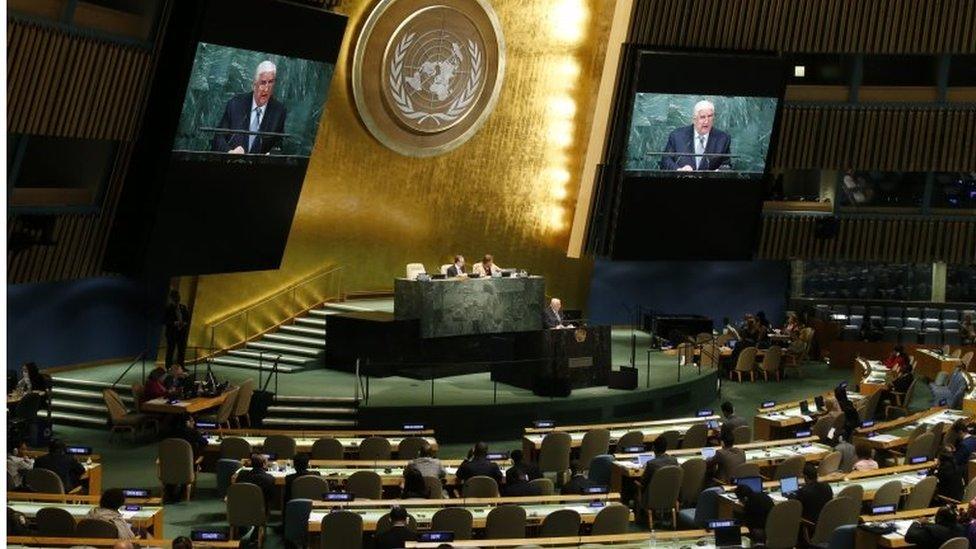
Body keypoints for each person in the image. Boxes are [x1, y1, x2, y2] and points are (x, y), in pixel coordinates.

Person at [211, 60, 287, 155]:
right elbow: (219, 137)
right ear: (254, 84)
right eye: (263, 83)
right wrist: (230, 152)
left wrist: (272, 155)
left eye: (270, 82)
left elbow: (279, 144)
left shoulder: (279, 111)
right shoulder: (235, 104)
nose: (266, 89)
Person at [659, 99, 731, 171]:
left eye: (710, 116)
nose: (707, 121)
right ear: (694, 119)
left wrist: (719, 172)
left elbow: (726, 165)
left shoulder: (723, 139)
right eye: (702, 117)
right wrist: (679, 170)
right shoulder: (677, 136)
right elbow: (665, 160)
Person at [164, 290, 191, 368]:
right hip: (171, 333)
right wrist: (174, 323)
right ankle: (168, 367)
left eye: (178, 297)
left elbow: (187, 318)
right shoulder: (168, 308)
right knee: (170, 351)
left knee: (181, 351)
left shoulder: (183, 307)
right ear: (172, 298)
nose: (177, 299)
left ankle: (181, 366)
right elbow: (164, 320)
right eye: (175, 297)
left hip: (182, 333)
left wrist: (185, 323)